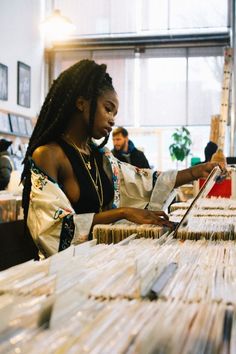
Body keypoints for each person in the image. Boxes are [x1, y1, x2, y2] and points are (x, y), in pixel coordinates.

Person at [21, 59, 221, 258]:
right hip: (67, 272)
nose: (112, 119)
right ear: (82, 103)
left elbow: (142, 181)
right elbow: (52, 229)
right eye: (108, 109)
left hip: (105, 260)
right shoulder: (48, 155)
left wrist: (196, 172)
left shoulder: (102, 157)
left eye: (115, 113)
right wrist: (122, 213)